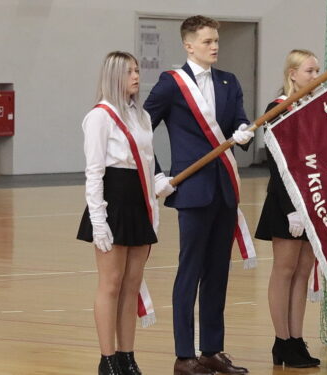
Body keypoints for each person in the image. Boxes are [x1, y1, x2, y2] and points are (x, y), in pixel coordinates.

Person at [143, 15, 255, 375]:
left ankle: (211, 350)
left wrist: (242, 133)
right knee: (189, 271)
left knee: (218, 272)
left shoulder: (228, 81)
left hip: (225, 189)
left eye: (216, 40)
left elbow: (240, 120)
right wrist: (159, 175)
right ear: (188, 45)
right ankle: (183, 355)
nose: (215, 46)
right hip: (192, 191)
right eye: (207, 41)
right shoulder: (172, 84)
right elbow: (141, 131)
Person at [76, 51, 166, 375]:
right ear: (114, 75)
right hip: (113, 199)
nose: (136, 76)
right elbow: (94, 171)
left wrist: (158, 181)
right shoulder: (99, 116)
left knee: (132, 283)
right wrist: (98, 220)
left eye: (137, 70)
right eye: (129, 71)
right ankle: (107, 358)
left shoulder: (140, 115)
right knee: (110, 284)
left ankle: (128, 356)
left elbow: (148, 157)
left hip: (138, 200)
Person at [255, 49, 321, 368]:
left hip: (311, 203)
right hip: (285, 204)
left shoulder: (314, 108)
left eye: (317, 70)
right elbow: (277, 164)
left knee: (303, 273)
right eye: (310, 71)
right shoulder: (277, 108)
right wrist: (291, 208)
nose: (315, 76)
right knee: (284, 271)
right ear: (293, 74)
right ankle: (281, 340)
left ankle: (296, 340)